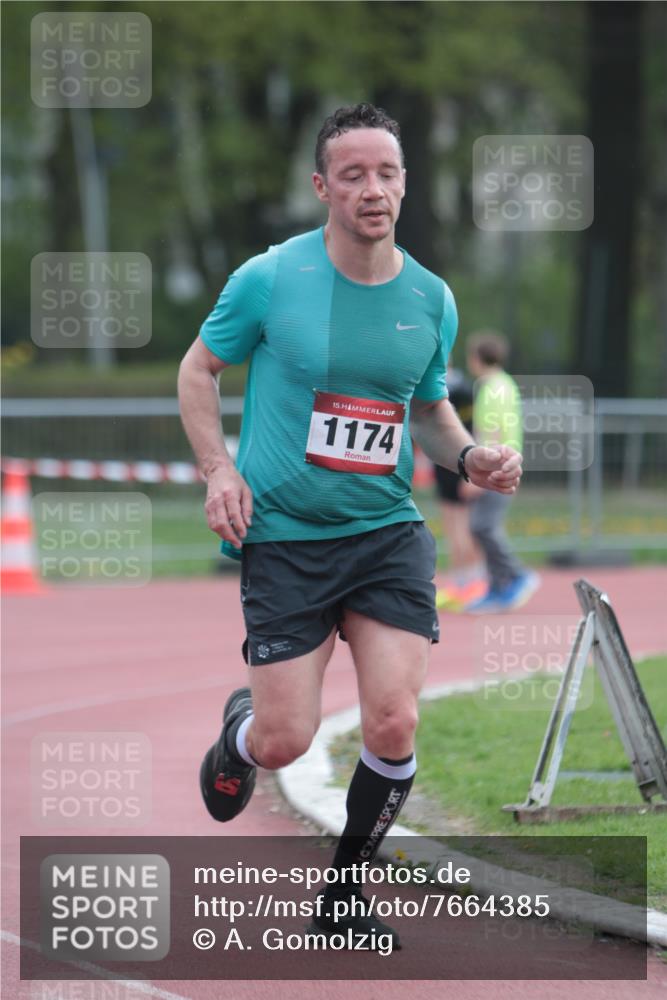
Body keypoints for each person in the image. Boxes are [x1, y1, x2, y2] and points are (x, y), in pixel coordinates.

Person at [177, 103, 523, 948]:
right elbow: (198, 369)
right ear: (322, 186)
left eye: (387, 173)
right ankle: (239, 737)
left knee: (394, 721)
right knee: (284, 742)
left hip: (384, 536)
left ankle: (342, 894)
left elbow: (427, 411)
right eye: (354, 174)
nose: (373, 189)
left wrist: (469, 456)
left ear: (404, 183)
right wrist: (219, 469)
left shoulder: (430, 297)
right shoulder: (269, 278)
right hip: (285, 537)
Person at [463, 330, 540, 613]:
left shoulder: (491, 387)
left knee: (483, 526)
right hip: (506, 463)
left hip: (497, 466)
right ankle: (497, 587)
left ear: (476, 358)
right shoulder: (505, 383)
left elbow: (491, 431)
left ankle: (516, 575)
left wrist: (477, 474)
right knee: (482, 525)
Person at [432, 366, 486, 611]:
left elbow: (475, 427)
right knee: (454, 526)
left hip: (457, 460)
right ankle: (462, 582)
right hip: (448, 460)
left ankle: (474, 582)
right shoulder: (449, 385)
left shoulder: (459, 388)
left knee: (461, 527)